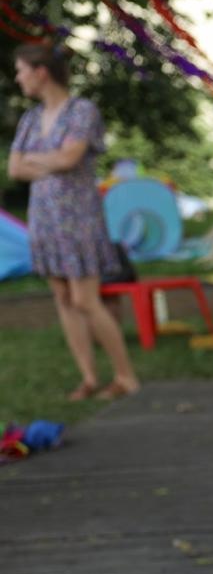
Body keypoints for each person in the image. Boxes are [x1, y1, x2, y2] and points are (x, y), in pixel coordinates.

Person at [7, 43, 140, 401]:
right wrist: (49, 160)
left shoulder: (82, 111)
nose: (18, 78)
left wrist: (40, 160)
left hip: (78, 219)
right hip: (44, 219)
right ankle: (89, 378)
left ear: (41, 72)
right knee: (63, 297)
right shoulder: (31, 119)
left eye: (21, 70)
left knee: (85, 300)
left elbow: (70, 158)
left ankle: (126, 376)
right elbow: (14, 168)